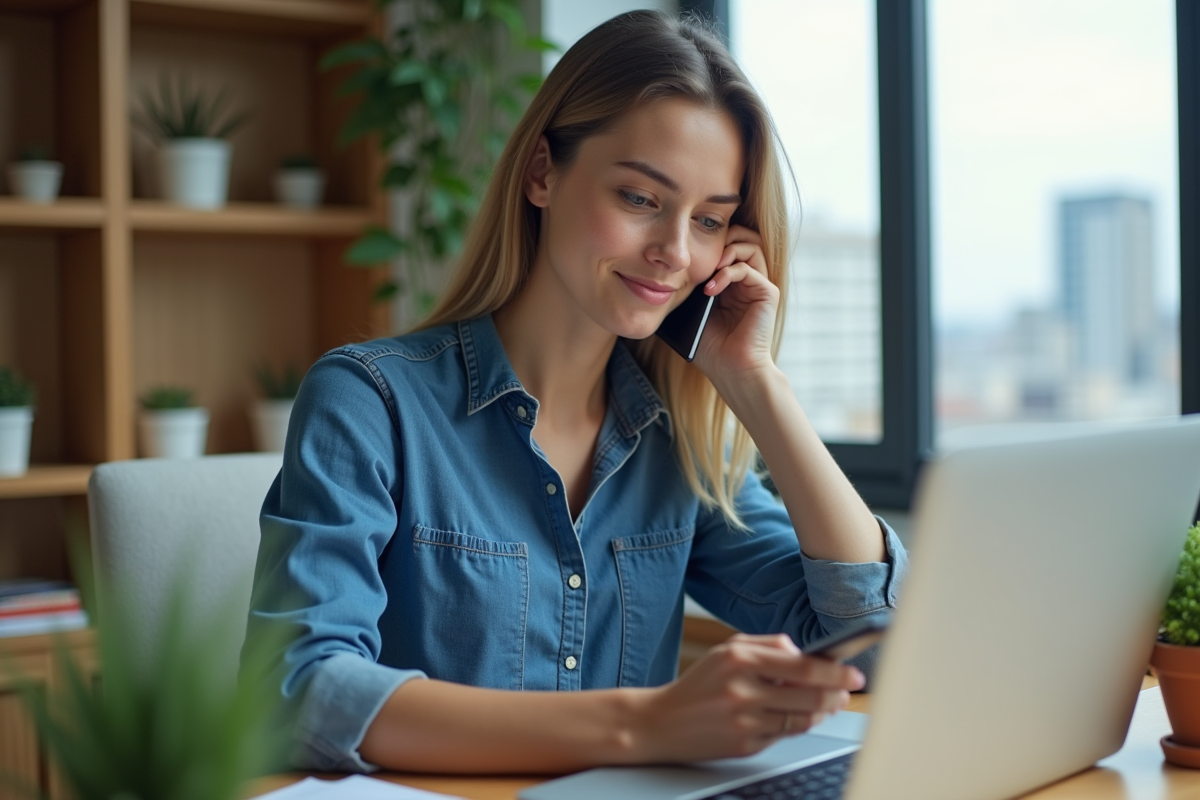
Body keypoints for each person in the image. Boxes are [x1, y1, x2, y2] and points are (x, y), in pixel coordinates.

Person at [245, 9, 906, 776]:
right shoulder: (371, 401)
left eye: (711, 221)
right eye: (638, 198)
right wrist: (641, 724)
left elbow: (870, 632)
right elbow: (298, 689)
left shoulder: (673, 444)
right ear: (541, 173)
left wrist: (753, 381)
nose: (673, 252)